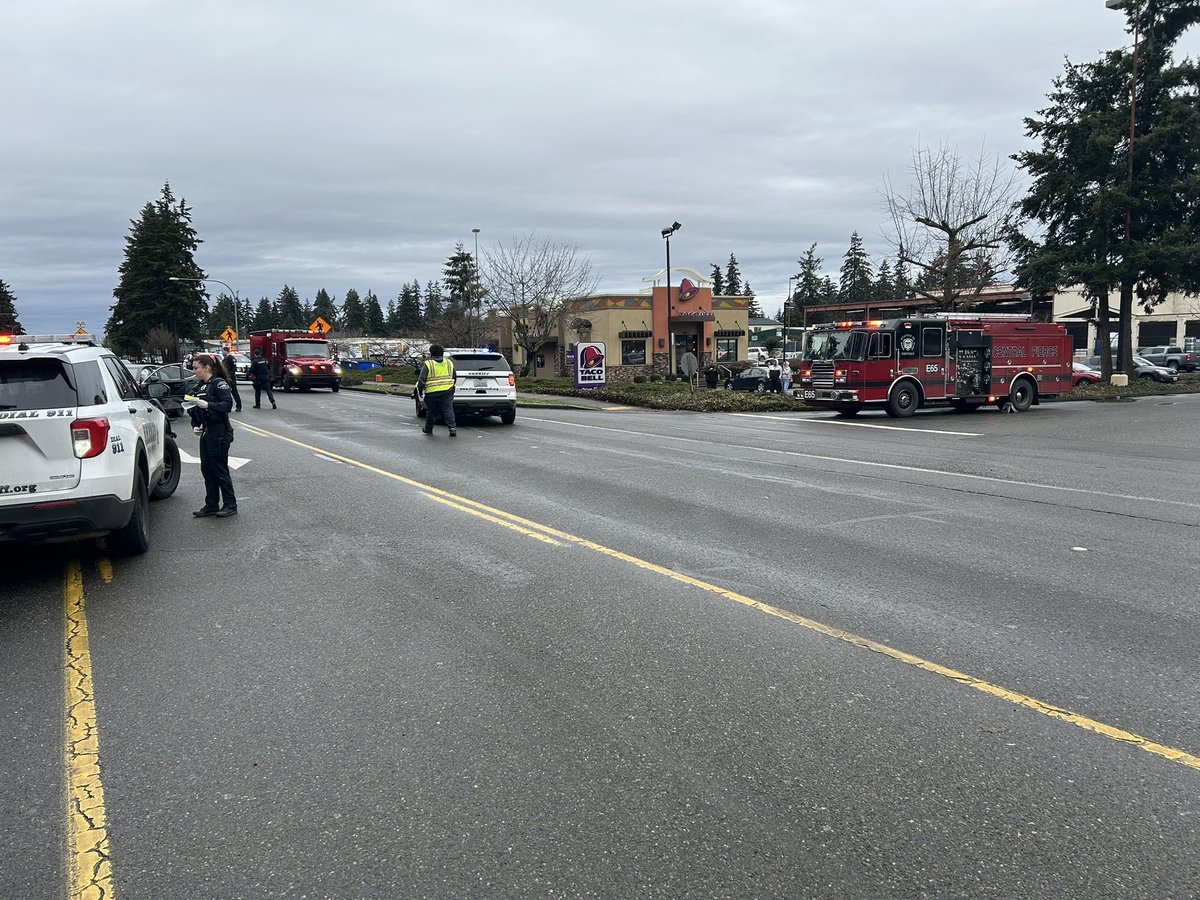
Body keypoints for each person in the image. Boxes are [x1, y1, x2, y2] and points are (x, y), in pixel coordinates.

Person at [186, 354, 238, 517]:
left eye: (196, 368)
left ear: (207, 368)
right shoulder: (200, 386)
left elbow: (227, 405)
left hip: (219, 431)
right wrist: (195, 425)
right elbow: (193, 408)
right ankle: (211, 505)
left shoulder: (218, 384)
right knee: (207, 469)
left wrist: (209, 404)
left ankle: (230, 505)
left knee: (219, 469)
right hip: (207, 431)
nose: (194, 371)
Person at [416, 344, 457, 437]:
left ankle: (428, 429)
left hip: (432, 392)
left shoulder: (428, 364)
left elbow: (421, 380)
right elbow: (454, 376)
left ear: (431, 354)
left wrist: (420, 390)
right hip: (447, 391)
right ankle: (452, 428)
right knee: (448, 410)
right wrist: (451, 386)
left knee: (431, 411)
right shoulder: (449, 363)